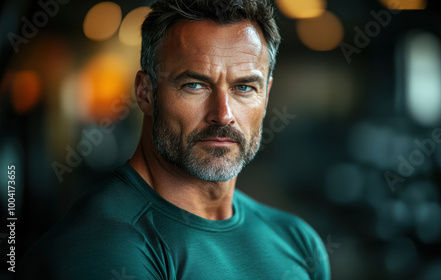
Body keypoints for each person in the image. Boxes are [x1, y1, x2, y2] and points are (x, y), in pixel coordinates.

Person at [16, 0, 331, 279]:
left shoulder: (299, 241)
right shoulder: (98, 248)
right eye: (195, 85)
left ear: (266, 95)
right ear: (145, 92)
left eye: (244, 87)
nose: (223, 115)